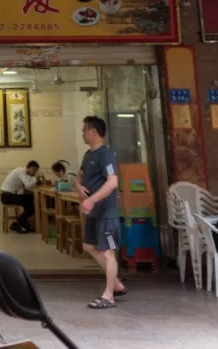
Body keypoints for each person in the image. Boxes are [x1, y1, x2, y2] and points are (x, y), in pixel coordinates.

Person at [77, 116, 124, 309]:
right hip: (94, 213)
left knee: (108, 252)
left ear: (93, 132)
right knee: (88, 246)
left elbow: (112, 182)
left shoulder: (106, 155)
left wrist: (91, 200)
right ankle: (117, 283)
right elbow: (79, 176)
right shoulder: (89, 155)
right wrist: (78, 186)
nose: (82, 133)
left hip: (106, 212)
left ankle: (109, 295)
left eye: (84, 130)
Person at [0, 160, 40, 233]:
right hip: (7, 196)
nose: (35, 173)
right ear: (32, 168)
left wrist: (34, 181)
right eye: (35, 171)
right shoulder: (20, 171)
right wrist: (36, 178)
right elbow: (28, 185)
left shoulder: (23, 173)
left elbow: (28, 185)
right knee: (32, 206)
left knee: (29, 198)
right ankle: (17, 223)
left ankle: (23, 225)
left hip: (8, 195)